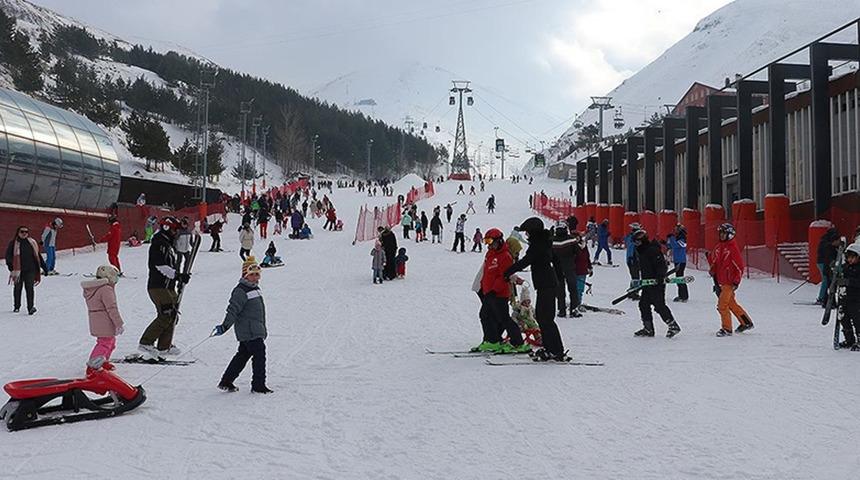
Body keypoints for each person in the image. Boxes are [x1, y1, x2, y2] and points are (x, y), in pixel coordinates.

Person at [504, 217, 569, 362]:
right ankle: (549, 348)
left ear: (533, 231)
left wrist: (507, 272)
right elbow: (556, 261)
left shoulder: (538, 245)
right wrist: (559, 278)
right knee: (542, 317)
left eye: (527, 232)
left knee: (546, 319)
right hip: (547, 284)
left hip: (546, 284)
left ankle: (557, 350)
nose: (526, 235)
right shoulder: (545, 243)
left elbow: (525, 261)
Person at [213, 258, 273, 394]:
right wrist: (225, 326)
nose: (255, 277)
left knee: (243, 355)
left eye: (257, 274)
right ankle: (258, 385)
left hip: (254, 329)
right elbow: (232, 310)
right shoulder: (240, 291)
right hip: (249, 331)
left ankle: (226, 381)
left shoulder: (255, 289)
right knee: (259, 355)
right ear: (245, 274)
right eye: (252, 274)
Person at [138, 217, 189, 360]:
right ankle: (146, 342)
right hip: (158, 286)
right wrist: (178, 276)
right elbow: (159, 265)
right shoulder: (159, 243)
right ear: (167, 228)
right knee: (166, 314)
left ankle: (164, 346)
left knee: (173, 315)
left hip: (168, 286)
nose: (176, 232)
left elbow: (171, 266)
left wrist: (178, 279)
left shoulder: (168, 244)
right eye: (174, 229)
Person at [472, 228, 530, 354]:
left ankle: (518, 343)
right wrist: (483, 287)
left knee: (503, 318)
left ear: (498, 240)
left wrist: (494, 289)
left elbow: (504, 276)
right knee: (485, 315)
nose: (489, 244)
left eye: (490, 241)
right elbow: (487, 273)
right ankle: (492, 341)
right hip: (488, 292)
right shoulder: (490, 254)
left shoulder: (505, 256)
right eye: (486, 241)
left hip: (498, 293)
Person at [631, 229, 681, 338]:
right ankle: (648, 328)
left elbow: (661, 266)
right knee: (643, 304)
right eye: (635, 242)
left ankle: (673, 325)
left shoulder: (652, 250)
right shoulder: (642, 251)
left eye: (637, 242)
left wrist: (659, 277)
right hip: (647, 283)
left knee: (659, 305)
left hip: (657, 283)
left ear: (643, 240)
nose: (636, 245)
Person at [708, 223, 754, 337]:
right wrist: (713, 269)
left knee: (722, 305)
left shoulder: (732, 248)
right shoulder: (719, 247)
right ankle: (746, 322)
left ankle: (727, 328)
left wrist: (736, 281)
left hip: (729, 283)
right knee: (732, 304)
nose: (722, 235)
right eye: (720, 233)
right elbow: (716, 262)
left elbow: (739, 266)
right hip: (722, 281)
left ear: (730, 235)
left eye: (724, 233)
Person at [82, 264, 123, 375]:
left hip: (97, 320)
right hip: (104, 321)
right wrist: (119, 323)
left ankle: (103, 361)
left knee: (110, 342)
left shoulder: (93, 288)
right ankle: (93, 366)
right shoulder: (105, 289)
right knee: (104, 343)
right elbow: (111, 307)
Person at [5, 226, 40, 315]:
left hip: (30, 270)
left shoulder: (31, 242)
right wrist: (11, 267)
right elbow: (8, 256)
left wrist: (44, 267)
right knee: (17, 288)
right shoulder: (13, 243)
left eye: (26, 232)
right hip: (18, 270)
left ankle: (30, 307)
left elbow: (37, 255)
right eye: (22, 231)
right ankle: (17, 306)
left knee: (30, 289)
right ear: (18, 232)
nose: (24, 233)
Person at [552, 221, 582, 318]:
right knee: (573, 289)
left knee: (560, 290)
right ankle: (574, 310)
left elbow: (549, 255)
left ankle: (561, 310)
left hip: (557, 268)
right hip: (569, 267)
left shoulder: (552, 240)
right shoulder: (571, 240)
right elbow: (578, 252)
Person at [837, 242, 860, 350]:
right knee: (843, 318)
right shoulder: (846, 267)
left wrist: (848, 281)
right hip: (845, 297)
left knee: (857, 319)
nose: (850, 260)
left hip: (856, 299)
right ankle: (849, 339)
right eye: (848, 258)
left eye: (852, 258)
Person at [816, 227, 841, 306]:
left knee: (826, 280)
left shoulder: (825, 240)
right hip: (823, 262)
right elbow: (825, 253)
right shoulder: (826, 243)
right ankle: (822, 297)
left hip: (823, 262)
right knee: (825, 279)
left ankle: (823, 297)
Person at [667, 224, 689, 302]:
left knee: (680, 278)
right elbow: (671, 246)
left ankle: (684, 296)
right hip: (677, 260)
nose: (675, 231)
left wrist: (671, 238)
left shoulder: (682, 238)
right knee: (678, 278)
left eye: (676, 229)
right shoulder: (678, 238)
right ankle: (682, 295)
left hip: (681, 261)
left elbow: (676, 246)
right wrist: (667, 241)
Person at [624, 223, 641, 301]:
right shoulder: (632, 238)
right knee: (635, 276)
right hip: (632, 259)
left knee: (635, 275)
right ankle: (634, 292)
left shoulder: (630, 237)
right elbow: (631, 248)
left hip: (632, 259)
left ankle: (632, 290)